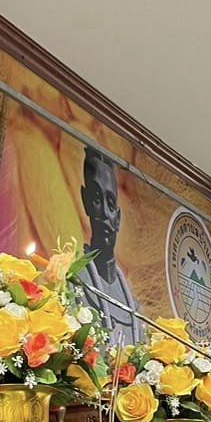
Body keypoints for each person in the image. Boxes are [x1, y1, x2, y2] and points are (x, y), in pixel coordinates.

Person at [76, 144, 144, 344]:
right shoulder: (75, 284)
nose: (105, 213)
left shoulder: (133, 306)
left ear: (118, 217)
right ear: (86, 201)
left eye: (111, 203)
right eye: (97, 199)